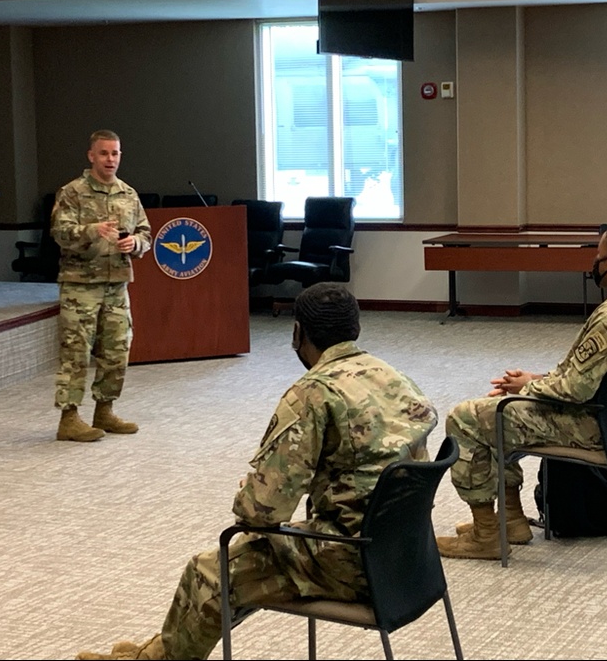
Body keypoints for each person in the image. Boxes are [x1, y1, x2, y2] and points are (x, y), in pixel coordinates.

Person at [76, 282, 438, 660]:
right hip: (406, 552)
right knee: (248, 565)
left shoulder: (314, 393)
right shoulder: (393, 376)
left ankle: (160, 658)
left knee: (210, 571)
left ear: (298, 333)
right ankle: (159, 651)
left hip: (351, 560)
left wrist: (255, 489)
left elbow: (260, 513)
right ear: (355, 328)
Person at [436, 225, 607, 560]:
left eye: (598, 256)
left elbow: (574, 390)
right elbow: (596, 374)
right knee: (497, 411)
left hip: (587, 426)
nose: (594, 262)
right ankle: (511, 521)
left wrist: (526, 387)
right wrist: (535, 378)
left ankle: (486, 535)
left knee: (466, 418)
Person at [51, 129, 152, 442]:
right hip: (81, 285)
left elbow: (146, 234)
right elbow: (60, 233)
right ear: (91, 156)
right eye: (105, 153)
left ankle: (104, 411)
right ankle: (69, 419)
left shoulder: (128, 194)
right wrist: (93, 230)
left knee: (116, 350)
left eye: (116, 153)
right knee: (77, 352)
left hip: (116, 285)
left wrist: (135, 243)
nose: (111, 159)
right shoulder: (73, 192)